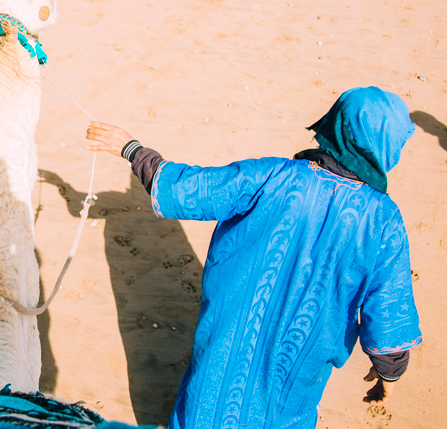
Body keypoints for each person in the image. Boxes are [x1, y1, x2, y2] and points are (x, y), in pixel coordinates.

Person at [85, 87, 422, 428]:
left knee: (207, 403)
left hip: (229, 344)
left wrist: (132, 149)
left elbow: (189, 188)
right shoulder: (384, 222)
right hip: (300, 367)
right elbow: (389, 313)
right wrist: (388, 374)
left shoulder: (273, 176)